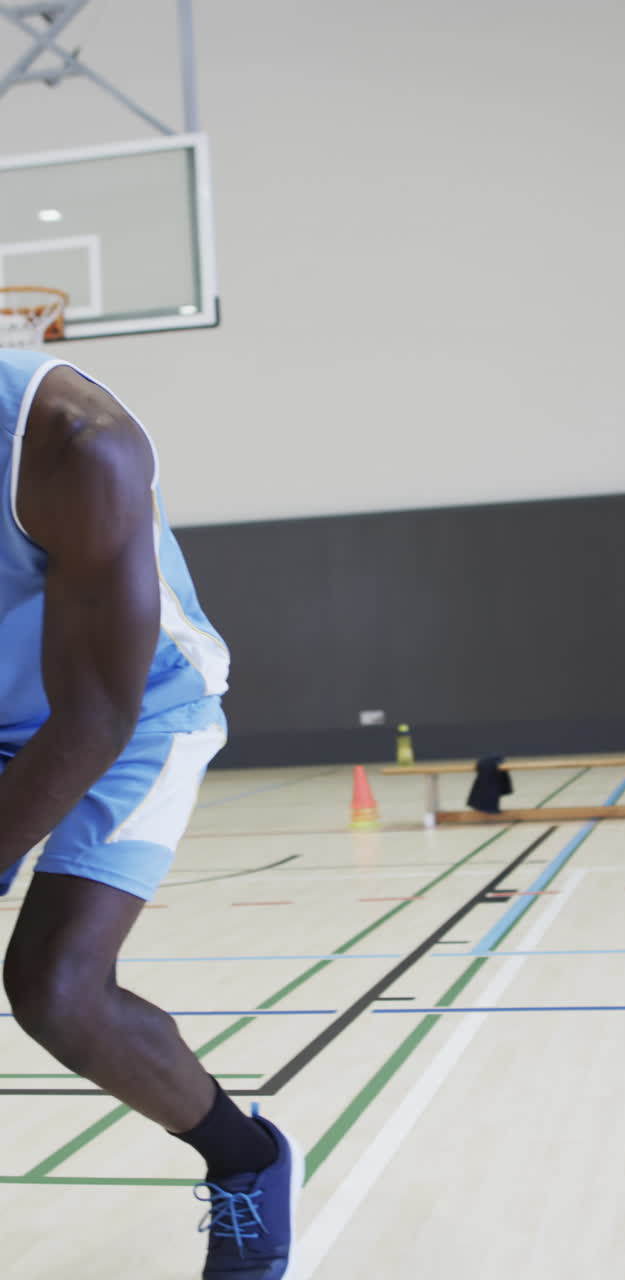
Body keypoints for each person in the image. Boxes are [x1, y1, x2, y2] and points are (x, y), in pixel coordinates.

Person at [0, 348, 302, 1278]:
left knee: (55, 987)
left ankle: (245, 1163)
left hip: (133, 707)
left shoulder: (76, 442)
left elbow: (97, 711)